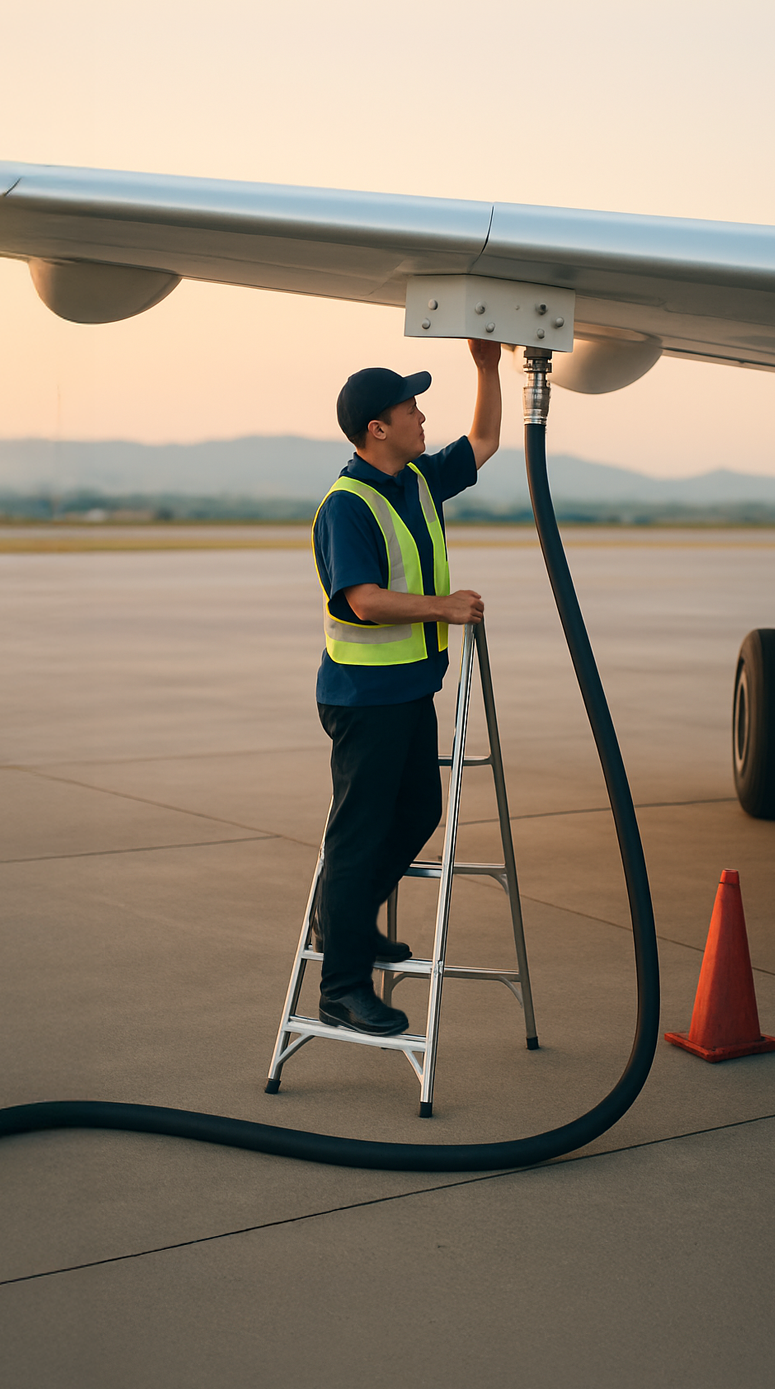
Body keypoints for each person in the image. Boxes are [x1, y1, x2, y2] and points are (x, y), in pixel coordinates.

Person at [311, 339, 502, 1035]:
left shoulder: (416, 479)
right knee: (359, 836)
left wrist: (488, 367)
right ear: (377, 429)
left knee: (419, 810)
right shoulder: (348, 505)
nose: (422, 417)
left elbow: (483, 442)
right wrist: (443, 608)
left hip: (411, 689)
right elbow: (362, 600)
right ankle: (342, 987)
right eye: (410, 409)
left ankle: (346, 918)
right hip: (364, 698)